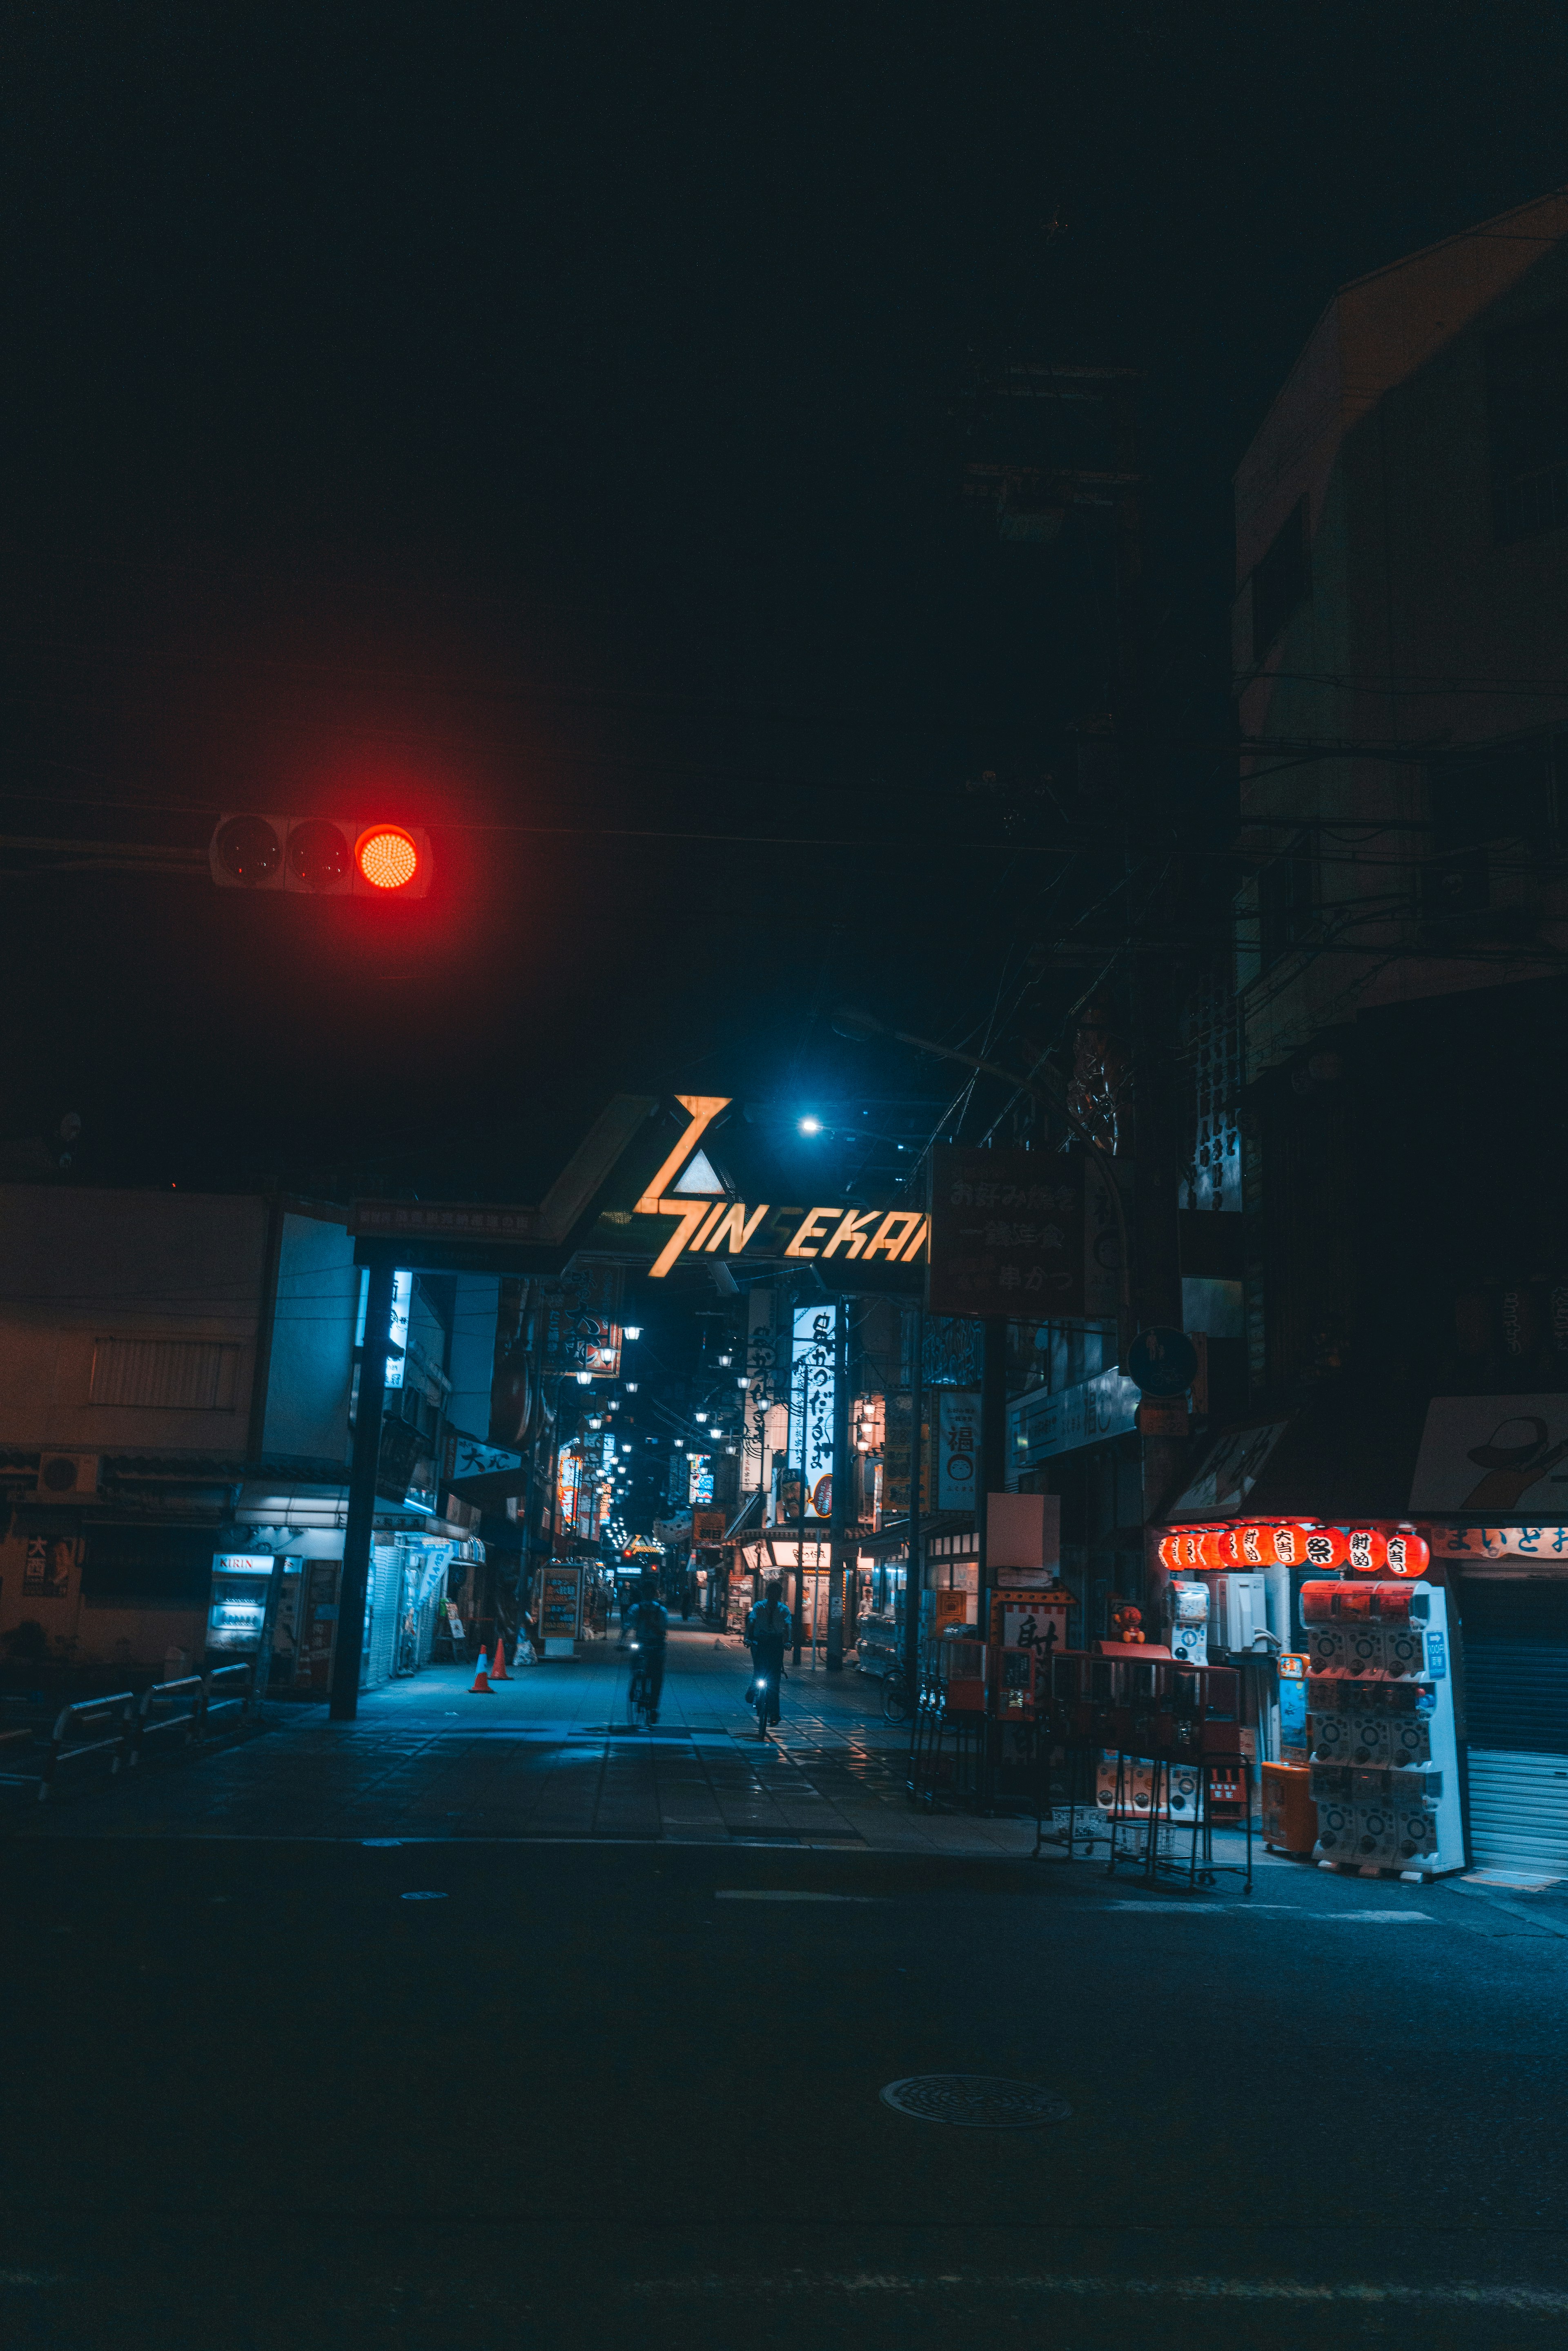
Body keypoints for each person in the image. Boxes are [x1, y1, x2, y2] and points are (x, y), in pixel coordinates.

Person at [745, 1578, 793, 1737]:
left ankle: (774, 1714)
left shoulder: (784, 1610)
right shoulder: (759, 1607)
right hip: (760, 1641)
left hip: (776, 1643)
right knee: (759, 1669)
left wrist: (789, 1641)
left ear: (780, 1595)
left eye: (777, 1594)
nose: (774, 1596)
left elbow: (788, 1626)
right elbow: (751, 1622)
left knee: (774, 1679)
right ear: (767, 1594)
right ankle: (753, 1690)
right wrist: (748, 1637)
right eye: (772, 1593)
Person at [627, 1580, 669, 1722]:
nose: (648, 1595)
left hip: (656, 1645)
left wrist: (652, 1625)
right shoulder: (636, 1608)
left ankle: (654, 1707)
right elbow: (627, 1626)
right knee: (636, 1665)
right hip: (641, 1644)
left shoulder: (661, 1610)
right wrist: (621, 1641)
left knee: (657, 1677)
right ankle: (635, 1688)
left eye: (650, 1592)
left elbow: (663, 1631)